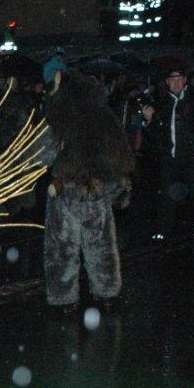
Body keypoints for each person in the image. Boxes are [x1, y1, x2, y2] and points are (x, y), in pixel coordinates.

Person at [39, 71, 134, 314]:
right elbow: (119, 156)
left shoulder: (58, 118)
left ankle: (63, 298)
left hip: (65, 193)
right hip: (96, 192)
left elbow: (43, 154)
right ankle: (107, 292)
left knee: (62, 248)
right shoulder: (104, 116)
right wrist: (116, 189)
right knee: (101, 245)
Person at [142, 66, 194, 240]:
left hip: (191, 157)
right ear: (167, 82)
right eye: (172, 80)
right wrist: (149, 120)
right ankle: (164, 230)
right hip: (170, 157)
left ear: (185, 80)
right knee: (167, 194)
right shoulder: (162, 103)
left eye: (179, 79)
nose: (175, 83)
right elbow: (157, 135)